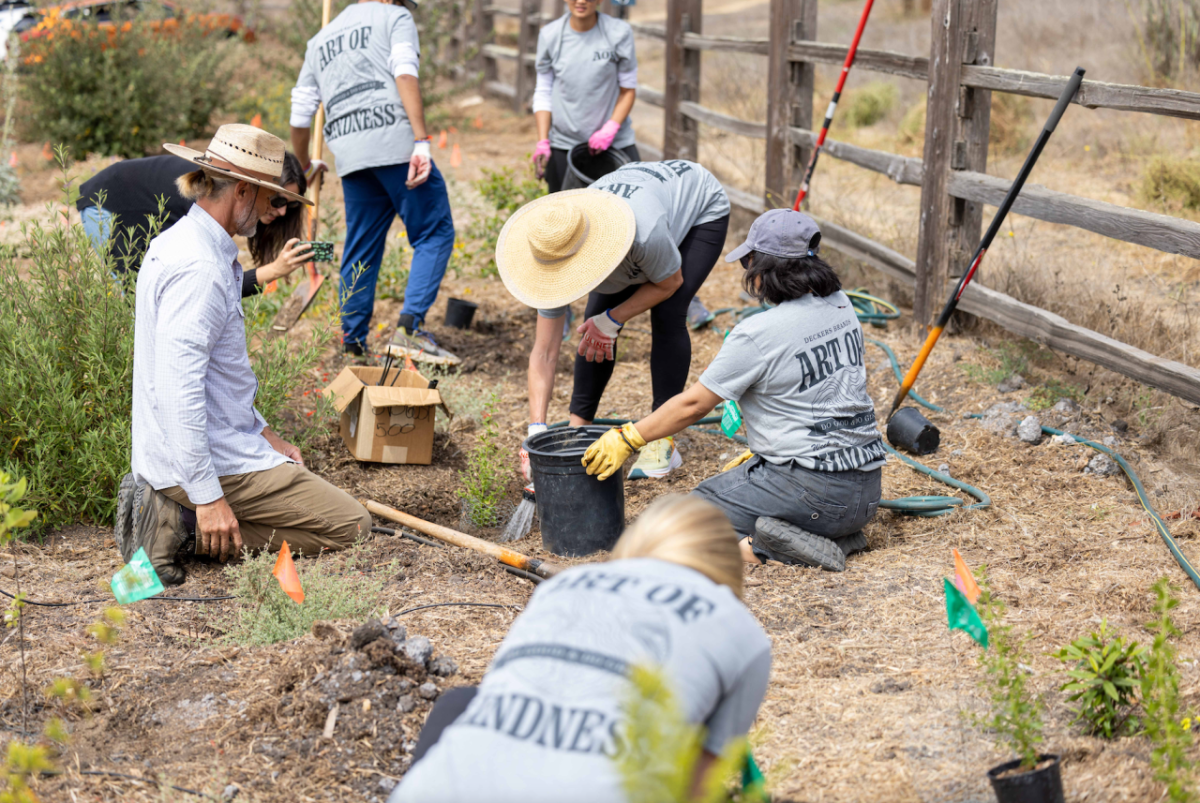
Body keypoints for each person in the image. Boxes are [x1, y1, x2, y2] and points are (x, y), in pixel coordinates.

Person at [116, 124, 372, 586]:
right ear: (243, 191)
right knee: (353, 524)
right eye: (273, 199)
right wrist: (209, 497)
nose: (276, 212)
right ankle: (183, 522)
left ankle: (180, 515)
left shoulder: (182, 244)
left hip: (187, 455)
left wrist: (266, 434)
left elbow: (216, 378)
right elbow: (179, 391)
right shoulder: (201, 268)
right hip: (199, 464)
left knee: (320, 508)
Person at [390, 495, 772, 803]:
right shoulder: (740, 630)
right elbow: (696, 791)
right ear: (726, 572)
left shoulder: (561, 586)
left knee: (462, 703)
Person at [581, 210, 886, 572]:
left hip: (812, 490)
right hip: (866, 491)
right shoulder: (841, 304)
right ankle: (838, 534)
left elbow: (694, 405)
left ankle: (766, 546)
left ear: (760, 267)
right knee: (728, 490)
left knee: (686, 519)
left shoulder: (758, 333)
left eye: (747, 260)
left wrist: (628, 438)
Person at [497, 159, 729, 481]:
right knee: (593, 326)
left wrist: (614, 319)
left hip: (697, 208)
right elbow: (544, 351)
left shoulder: (643, 235)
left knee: (667, 312)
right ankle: (579, 431)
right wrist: (536, 432)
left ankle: (662, 439)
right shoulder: (554, 247)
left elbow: (670, 282)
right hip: (642, 201)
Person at [289, 0, 459, 364]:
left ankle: (352, 339)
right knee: (435, 231)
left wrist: (304, 164)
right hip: (395, 146)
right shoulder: (395, 17)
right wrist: (421, 141)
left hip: (350, 155)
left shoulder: (321, 39)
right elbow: (404, 70)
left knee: (362, 243)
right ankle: (410, 332)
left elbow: (301, 108)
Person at [77, 152, 317, 296]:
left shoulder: (232, 204)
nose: (283, 211)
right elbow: (215, 286)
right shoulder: (209, 202)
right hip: (111, 202)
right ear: (249, 189)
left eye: (292, 205)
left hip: (153, 212)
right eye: (276, 200)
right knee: (140, 299)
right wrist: (274, 270)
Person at [531, 0, 638, 194]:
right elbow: (544, 91)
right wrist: (543, 141)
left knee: (627, 217)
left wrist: (610, 129)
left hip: (615, 145)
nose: (581, 1)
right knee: (566, 218)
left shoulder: (618, 33)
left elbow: (628, 90)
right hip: (564, 146)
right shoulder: (550, 36)